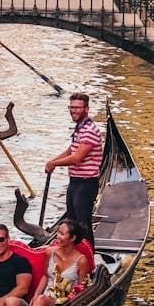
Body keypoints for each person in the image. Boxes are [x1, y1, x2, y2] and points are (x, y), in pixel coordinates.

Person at [45, 93, 103, 246]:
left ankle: (88, 257)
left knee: (83, 225)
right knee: (72, 223)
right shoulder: (80, 128)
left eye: (77, 108)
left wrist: (54, 164)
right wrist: (52, 162)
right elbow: (71, 150)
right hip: (75, 181)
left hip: (86, 183)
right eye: (71, 107)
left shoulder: (89, 130)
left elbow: (77, 158)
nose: (73, 111)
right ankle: (72, 254)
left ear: (86, 109)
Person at [23, 220, 91, 306]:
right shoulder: (49, 252)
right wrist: (35, 295)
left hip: (66, 304)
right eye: (58, 232)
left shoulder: (81, 261)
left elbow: (82, 289)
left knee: (42, 300)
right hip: (46, 299)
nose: (57, 236)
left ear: (73, 238)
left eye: (62, 234)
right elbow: (45, 276)